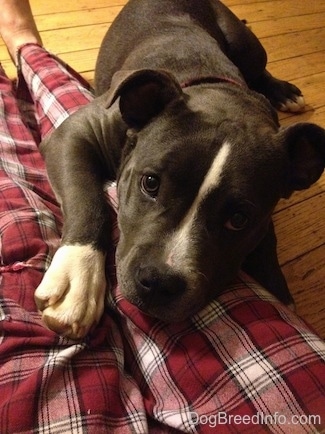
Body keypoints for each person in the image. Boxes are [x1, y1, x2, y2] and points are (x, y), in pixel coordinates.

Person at [0, 2, 324, 433]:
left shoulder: (269, 156)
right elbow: (68, 139)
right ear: (137, 111)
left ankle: (258, 80)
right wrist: (84, 238)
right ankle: (24, 46)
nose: (167, 265)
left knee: (250, 55)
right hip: (184, 18)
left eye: (235, 219)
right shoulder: (159, 113)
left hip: (219, 51)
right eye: (152, 185)